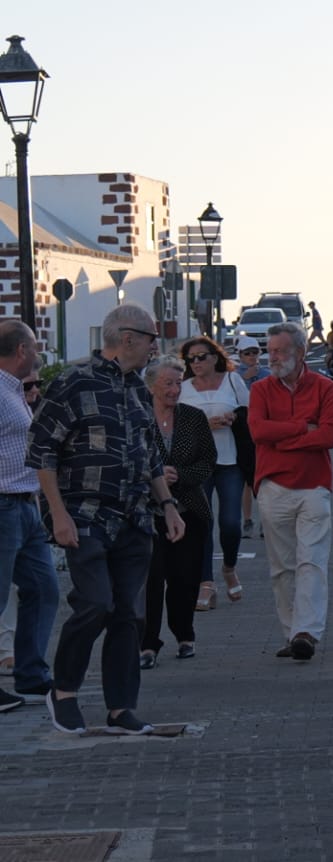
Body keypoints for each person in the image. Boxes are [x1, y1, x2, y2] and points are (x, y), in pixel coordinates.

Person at [30, 305, 185, 734]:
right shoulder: (72, 383)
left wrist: (168, 505)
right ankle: (63, 691)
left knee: (129, 616)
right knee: (96, 603)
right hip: (84, 514)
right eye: (151, 337)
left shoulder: (138, 387)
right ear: (127, 337)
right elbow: (42, 452)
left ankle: (121, 708)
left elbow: (149, 454)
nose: (156, 345)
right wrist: (57, 515)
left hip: (134, 516)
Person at [249, 322, 333, 662]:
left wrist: (282, 439)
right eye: (270, 351)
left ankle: (307, 632)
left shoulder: (325, 388)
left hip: (314, 486)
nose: (272, 357)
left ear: (300, 353)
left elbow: (329, 436)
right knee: (282, 566)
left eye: (279, 351)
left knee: (312, 560)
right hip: (273, 486)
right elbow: (258, 431)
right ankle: (292, 632)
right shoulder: (260, 390)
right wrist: (303, 428)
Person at [141, 359, 215, 668]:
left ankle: (185, 634)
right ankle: (147, 643)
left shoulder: (194, 418)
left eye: (178, 383)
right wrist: (155, 477)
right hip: (146, 514)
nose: (174, 389)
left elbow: (208, 460)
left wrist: (179, 475)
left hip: (188, 511)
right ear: (151, 386)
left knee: (184, 579)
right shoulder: (137, 417)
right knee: (151, 580)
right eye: (168, 384)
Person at [0, 320, 59, 708]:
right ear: (21, 350)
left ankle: (31, 675)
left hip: (25, 504)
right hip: (3, 504)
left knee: (43, 588)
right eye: (35, 348)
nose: (38, 355)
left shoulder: (12, 391)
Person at [177, 336, 247, 613]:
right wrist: (203, 425)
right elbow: (174, 425)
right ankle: (206, 583)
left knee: (230, 522)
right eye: (190, 359)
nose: (196, 363)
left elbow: (248, 412)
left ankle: (229, 566)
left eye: (201, 357)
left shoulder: (232, 381)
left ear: (215, 357)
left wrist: (234, 418)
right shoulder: (183, 389)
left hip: (229, 460)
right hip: (198, 464)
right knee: (200, 523)